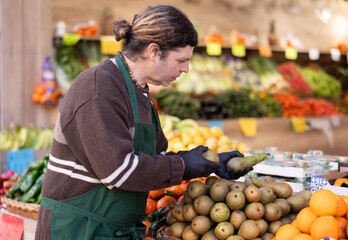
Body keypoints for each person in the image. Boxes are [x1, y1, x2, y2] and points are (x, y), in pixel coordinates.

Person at [35, 5, 251, 240]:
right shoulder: (99, 87)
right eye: (182, 60)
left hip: (111, 229)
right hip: (77, 228)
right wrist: (185, 165)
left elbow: (149, 162)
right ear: (154, 52)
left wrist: (210, 163)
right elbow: (118, 171)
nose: (186, 69)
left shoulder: (140, 93)